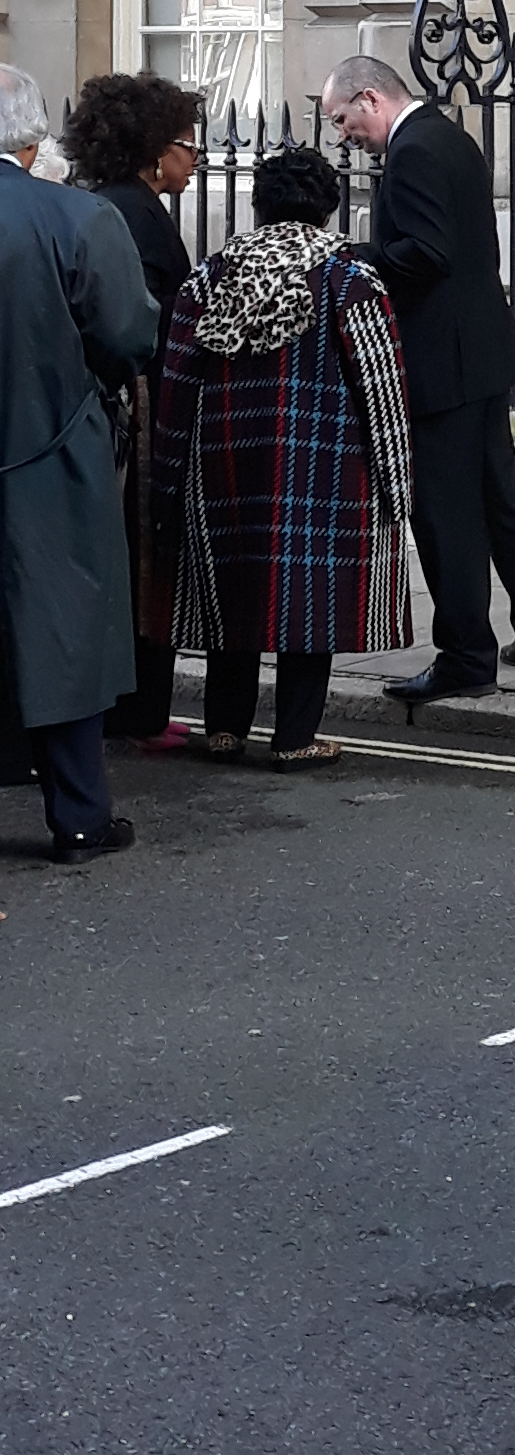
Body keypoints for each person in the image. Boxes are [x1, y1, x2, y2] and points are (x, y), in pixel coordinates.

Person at [151, 142, 416, 768]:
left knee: (231, 589)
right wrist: (396, 480)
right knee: (311, 596)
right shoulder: (348, 278)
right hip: (321, 464)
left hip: (220, 464)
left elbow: (176, 381)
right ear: (327, 207)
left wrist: (166, 478)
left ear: (259, 205)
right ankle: (296, 737)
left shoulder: (211, 276)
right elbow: (381, 385)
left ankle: (223, 729)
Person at [322, 55, 515, 699]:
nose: (343, 134)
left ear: (370, 99)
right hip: (481, 352)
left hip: (443, 361)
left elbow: (428, 252)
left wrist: (355, 257)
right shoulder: (447, 135)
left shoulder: (414, 152)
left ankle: (464, 657)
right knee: (500, 495)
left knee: (446, 513)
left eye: (343, 119)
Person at [0, 62, 154, 862]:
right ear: (31, 141)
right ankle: (81, 819)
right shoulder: (79, 219)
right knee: (62, 635)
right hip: (50, 455)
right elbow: (130, 337)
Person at [60, 70, 201, 745]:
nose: (195, 158)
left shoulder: (103, 202)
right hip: (139, 409)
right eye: (186, 145)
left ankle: (127, 706)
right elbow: (141, 320)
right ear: (153, 149)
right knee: (145, 559)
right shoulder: (135, 214)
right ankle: (138, 713)